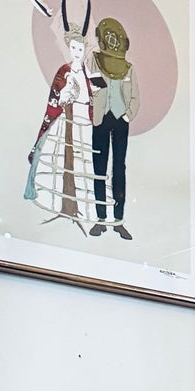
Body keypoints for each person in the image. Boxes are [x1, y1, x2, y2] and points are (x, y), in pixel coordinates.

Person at [24, 0, 95, 231]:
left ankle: (80, 207)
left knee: (83, 163)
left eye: (80, 49)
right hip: (66, 121)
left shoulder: (87, 73)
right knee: (61, 162)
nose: (77, 53)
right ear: (69, 48)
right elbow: (55, 99)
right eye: (74, 49)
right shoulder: (64, 71)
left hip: (84, 122)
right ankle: (60, 204)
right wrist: (66, 96)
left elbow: (91, 98)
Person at [89, 15, 139, 241]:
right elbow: (93, 88)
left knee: (119, 169)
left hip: (120, 121)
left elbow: (135, 97)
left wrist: (128, 116)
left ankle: (118, 220)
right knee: (99, 169)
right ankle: (100, 219)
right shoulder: (95, 61)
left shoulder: (129, 68)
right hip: (100, 119)